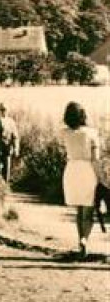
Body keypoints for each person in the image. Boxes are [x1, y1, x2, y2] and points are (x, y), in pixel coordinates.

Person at [61, 101, 101, 258]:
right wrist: (101, 178)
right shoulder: (92, 133)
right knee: (88, 210)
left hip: (71, 169)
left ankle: (80, 241)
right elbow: (95, 159)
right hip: (86, 170)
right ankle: (85, 239)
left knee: (79, 210)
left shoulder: (65, 133)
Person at [0, 102, 20, 180]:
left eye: (5, 109)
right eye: (1, 109)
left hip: (7, 148)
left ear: (7, 110)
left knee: (6, 168)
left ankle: (5, 186)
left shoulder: (11, 121)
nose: (3, 111)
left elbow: (15, 136)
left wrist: (16, 148)